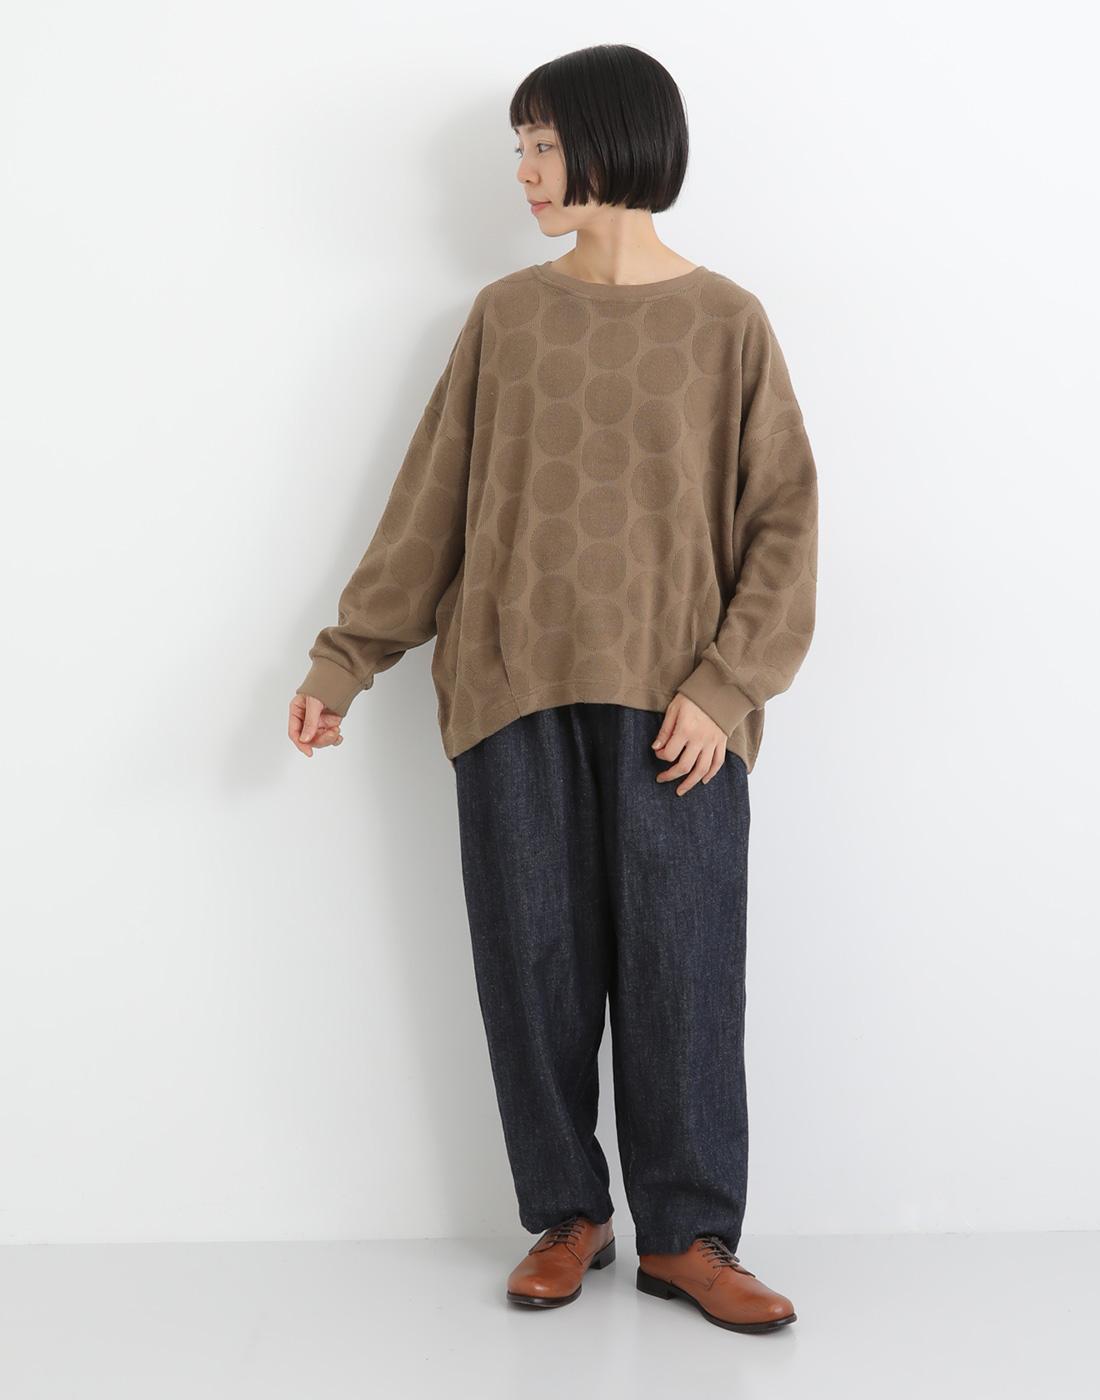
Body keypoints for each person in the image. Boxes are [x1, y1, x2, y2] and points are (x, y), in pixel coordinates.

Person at [287, 43, 818, 1335]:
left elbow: (784, 527)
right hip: (512, 693)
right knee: (531, 969)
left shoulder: (728, 324)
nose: (524, 172)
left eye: (543, 145)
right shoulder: (505, 320)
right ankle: (567, 1215)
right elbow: (430, 507)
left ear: (616, 142)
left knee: (686, 973)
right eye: (518, 148)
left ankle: (688, 1236)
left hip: (680, 716)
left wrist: (725, 687)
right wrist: (346, 659)